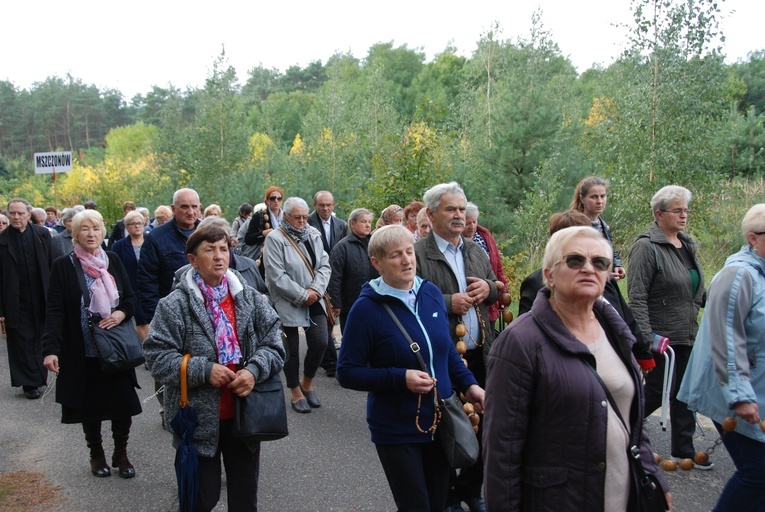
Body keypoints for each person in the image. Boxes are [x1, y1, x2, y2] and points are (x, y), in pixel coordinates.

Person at [484, 226, 671, 511]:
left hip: (625, 496)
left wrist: (652, 474)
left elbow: (631, 419)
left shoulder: (614, 329)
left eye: (600, 262)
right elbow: (502, 452)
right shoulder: (520, 342)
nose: (588, 268)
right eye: (575, 260)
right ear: (549, 275)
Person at [337, 225, 485, 512]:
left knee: (439, 502)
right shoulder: (366, 309)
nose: (406, 260)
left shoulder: (430, 293)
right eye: (396, 255)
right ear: (376, 263)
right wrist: (400, 377)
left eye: (408, 252)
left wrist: (470, 385)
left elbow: (446, 353)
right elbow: (347, 372)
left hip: (440, 420)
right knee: (415, 505)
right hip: (396, 425)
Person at [144, 224, 285, 512]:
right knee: (200, 498)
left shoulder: (249, 298)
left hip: (245, 416)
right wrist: (203, 370)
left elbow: (275, 345)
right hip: (196, 420)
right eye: (209, 250)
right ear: (192, 259)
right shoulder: (174, 305)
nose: (219, 256)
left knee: (244, 499)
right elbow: (156, 357)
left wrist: (254, 370)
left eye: (224, 248)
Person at [414, 182, 498, 512]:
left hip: (480, 351)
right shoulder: (418, 254)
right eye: (451, 209)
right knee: (446, 426)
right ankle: (447, 494)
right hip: (442, 357)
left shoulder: (475, 249)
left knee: (487, 423)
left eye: (462, 209)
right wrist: (448, 301)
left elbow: (495, 286)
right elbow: (407, 303)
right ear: (431, 213)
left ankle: (470, 487)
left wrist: (488, 288)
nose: (459, 215)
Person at [42, 209, 142, 479]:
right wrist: (50, 349)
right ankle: (96, 454)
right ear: (75, 233)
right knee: (90, 407)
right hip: (82, 349)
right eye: (84, 229)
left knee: (123, 405)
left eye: (96, 228)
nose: (91, 234)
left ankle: (121, 453)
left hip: (115, 348)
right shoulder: (64, 265)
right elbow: (54, 311)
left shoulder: (113, 260)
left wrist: (120, 313)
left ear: (103, 232)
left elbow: (130, 299)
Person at [679, 204, 765, 510]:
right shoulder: (738, 275)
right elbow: (726, 339)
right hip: (733, 394)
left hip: (757, 389)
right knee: (757, 474)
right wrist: (740, 396)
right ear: (753, 239)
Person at [627, 185, 708, 468]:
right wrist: (645, 338)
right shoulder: (646, 247)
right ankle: (621, 430)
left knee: (684, 393)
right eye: (678, 211)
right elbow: (636, 296)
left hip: (687, 332)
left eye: (686, 210)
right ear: (659, 214)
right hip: (660, 336)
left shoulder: (687, 244)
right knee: (656, 390)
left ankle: (683, 450)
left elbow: (694, 289)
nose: (684, 215)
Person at [518, 210, 655, 371]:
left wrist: (643, 355)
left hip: (613, 361)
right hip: (564, 367)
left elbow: (626, 318)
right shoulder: (537, 283)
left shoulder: (604, 279)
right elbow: (526, 337)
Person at [139, 188, 201, 421]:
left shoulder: (207, 233)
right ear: (174, 209)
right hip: (168, 314)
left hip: (203, 312)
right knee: (167, 362)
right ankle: (167, 406)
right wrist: (150, 319)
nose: (190, 211)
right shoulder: (156, 238)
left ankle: (196, 405)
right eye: (184, 206)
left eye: (194, 206)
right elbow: (146, 281)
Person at [263, 197, 330, 413]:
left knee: (320, 342)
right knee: (290, 349)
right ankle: (294, 390)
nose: (302, 221)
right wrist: (302, 295)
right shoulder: (274, 238)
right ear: (286, 216)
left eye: (304, 216)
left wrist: (316, 291)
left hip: (314, 296)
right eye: (297, 217)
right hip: (286, 299)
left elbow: (324, 265)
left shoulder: (313, 234)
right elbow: (275, 275)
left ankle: (307, 382)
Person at [0, 198, 53, 399]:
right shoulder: (2, 240)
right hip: (15, 299)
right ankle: (29, 383)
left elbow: (53, 264)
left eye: (20, 213)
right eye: (12, 213)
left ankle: (39, 376)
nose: (16, 217)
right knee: (21, 341)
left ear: (29, 215)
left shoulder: (42, 235)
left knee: (41, 337)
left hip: (41, 295)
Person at [307, 190, 348, 377]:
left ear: (334, 205)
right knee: (322, 322)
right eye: (321, 205)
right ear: (314, 205)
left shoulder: (342, 225)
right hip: (314, 279)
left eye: (329, 205)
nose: (325, 208)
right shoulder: (306, 223)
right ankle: (330, 362)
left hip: (336, 279)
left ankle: (328, 359)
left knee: (332, 320)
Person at [328, 208, 378, 332]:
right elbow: (335, 277)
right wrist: (336, 303)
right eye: (363, 222)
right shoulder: (342, 247)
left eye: (369, 222)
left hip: (375, 301)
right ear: (352, 224)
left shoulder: (375, 244)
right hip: (350, 304)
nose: (367, 225)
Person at [570, 176, 625, 280]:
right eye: (594, 197)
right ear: (582, 199)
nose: (600, 201)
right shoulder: (574, 226)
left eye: (603, 196)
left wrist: (617, 265)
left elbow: (609, 249)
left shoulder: (603, 225)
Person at [464, 202, 509, 325]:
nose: (472, 226)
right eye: (468, 223)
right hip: (469, 300)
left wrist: (503, 291)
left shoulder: (485, 237)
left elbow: (498, 267)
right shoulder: (457, 243)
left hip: (490, 296)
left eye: (474, 222)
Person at [111, 210, 149, 340]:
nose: (137, 226)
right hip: (132, 287)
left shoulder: (151, 241)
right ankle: (147, 349)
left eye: (139, 223)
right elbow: (115, 269)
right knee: (140, 319)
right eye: (133, 224)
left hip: (151, 287)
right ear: (126, 226)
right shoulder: (119, 246)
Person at [242, 186, 285, 266]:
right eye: (272, 198)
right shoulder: (259, 216)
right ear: (267, 201)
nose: (276, 201)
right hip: (265, 258)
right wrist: (263, 233)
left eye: (279, 198)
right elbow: (248, 239)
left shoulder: (287, 217)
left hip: (284, 256)